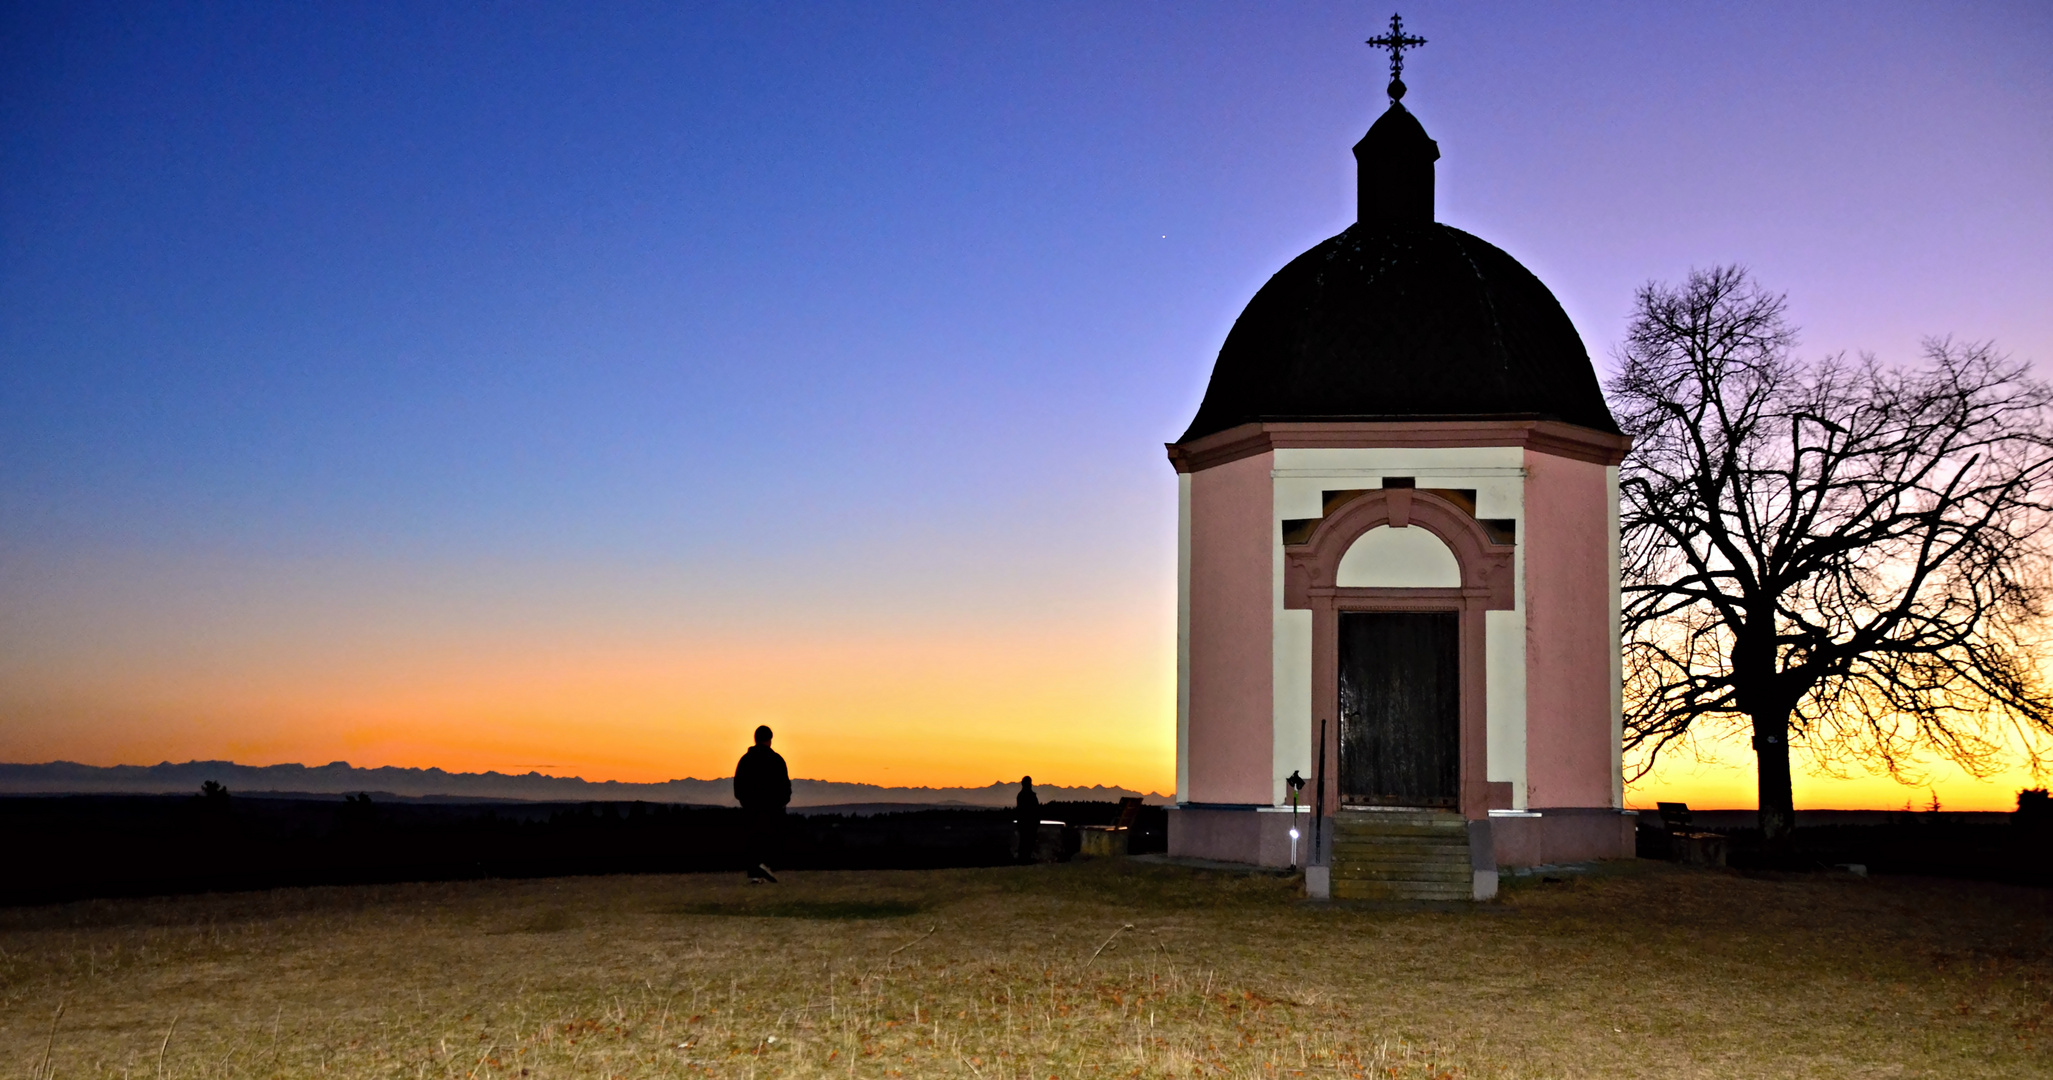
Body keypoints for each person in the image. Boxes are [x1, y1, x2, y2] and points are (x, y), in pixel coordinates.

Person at [733, 725, 791, 883]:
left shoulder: (745, 760)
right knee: (769, 839)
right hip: (773, 809)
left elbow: (738, 785)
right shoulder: (776, 760)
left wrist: (745, 801)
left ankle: (754, 875)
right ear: (770, 739)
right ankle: (765, 867)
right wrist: (781, 803)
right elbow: (785, 787)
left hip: (750, 808)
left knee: (752, 840)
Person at [1013, 775, 1041, 864]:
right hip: (1028, 823)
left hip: (1027, 823)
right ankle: (1024, 860)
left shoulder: (1022, 795)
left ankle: (1024, 859)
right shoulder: (1026, 796)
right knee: (1026, 842)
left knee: (1027, 842)